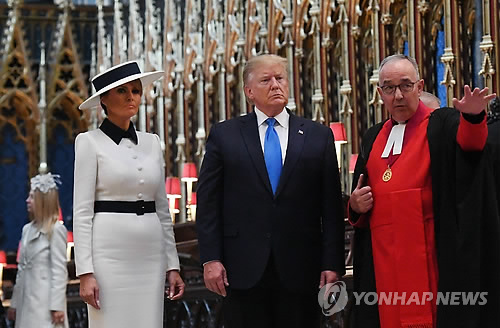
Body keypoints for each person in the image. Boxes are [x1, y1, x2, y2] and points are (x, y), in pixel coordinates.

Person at [349, 54, 500, 327]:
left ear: (420, 87)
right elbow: (358, 196)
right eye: (390, 88)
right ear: (379, 93)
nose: (398, 95)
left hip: (429, 251)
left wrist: (474, 117)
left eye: (406, 86)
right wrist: (355, 206)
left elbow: (472, 146)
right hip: (382, 258)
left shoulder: (441, 123)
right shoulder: (373, 136)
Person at [196, 54, 345, 328]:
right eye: (266, 80)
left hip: (302, 266)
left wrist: (332, 263)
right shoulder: (225, 135)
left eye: (280, 78)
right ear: (249, 91)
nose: (276, 85)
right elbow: (208, 203)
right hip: (241, 267)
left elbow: (331, 207)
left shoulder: (317, 136)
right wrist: (211, 259)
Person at [74, 61, 185, 328]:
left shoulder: (152, 142)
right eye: (122, 91)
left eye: (136, 91)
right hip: (108, 253)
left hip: (150, 253)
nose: (131, 97)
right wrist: (85, 273)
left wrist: (173, 264)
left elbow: (162, 210)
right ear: (104, 100)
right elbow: (82, 211)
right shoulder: (89, 142)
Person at [7, 173, 69, 328]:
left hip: (45, 305)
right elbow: (21, 271)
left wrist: (57, 306)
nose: (27, 201)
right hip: (26, 303)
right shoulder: (27, 229)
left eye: (32, 197)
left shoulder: (56, 230)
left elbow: (59, 272)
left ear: (43, 202)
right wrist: (14, 303)